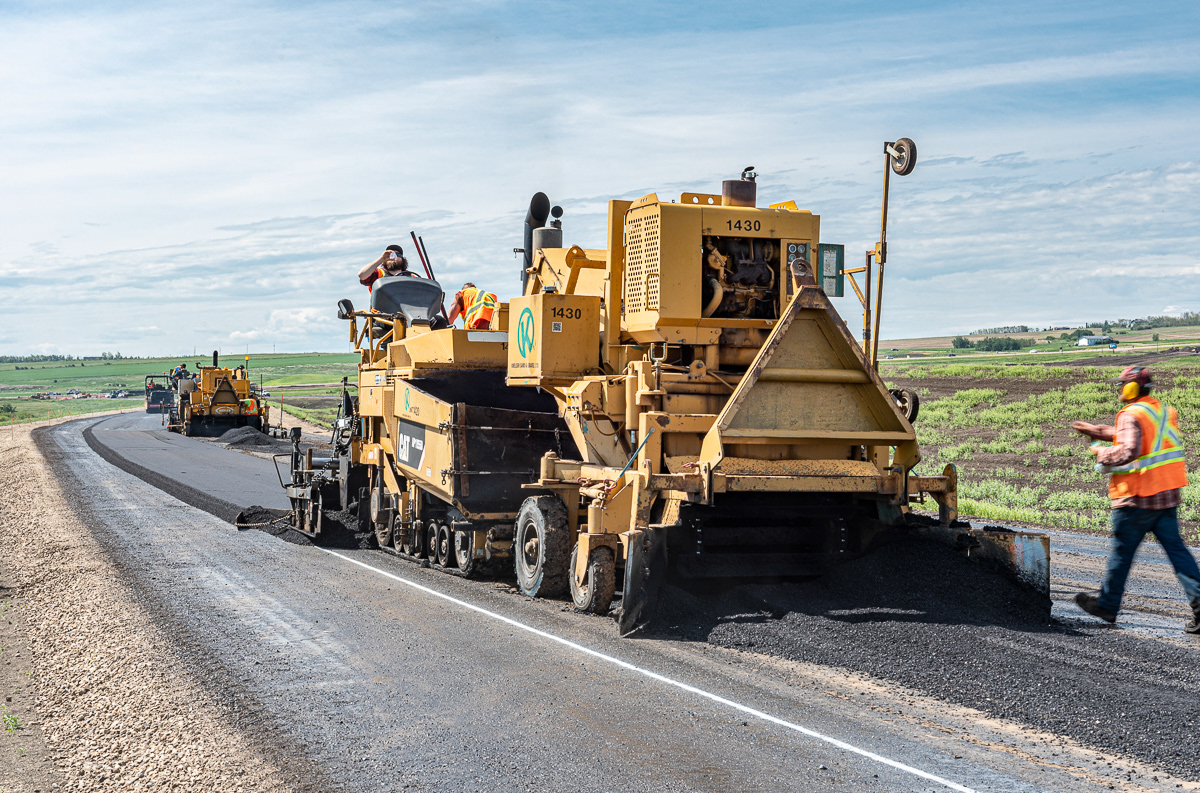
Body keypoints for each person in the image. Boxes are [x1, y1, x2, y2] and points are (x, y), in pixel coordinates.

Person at [1071, 366, 1198, 633]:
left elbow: (1129, 449)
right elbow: (1142, 437)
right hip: (1166, 494)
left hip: (1137, 497)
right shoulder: (1160, 410)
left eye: (1122, 385)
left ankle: (1107, 606)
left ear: (1131, 388)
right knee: (1178, 552)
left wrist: (1101, 454)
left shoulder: (1131, 414)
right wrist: (1098, 431)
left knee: (1121, 553)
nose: (1119, 388)